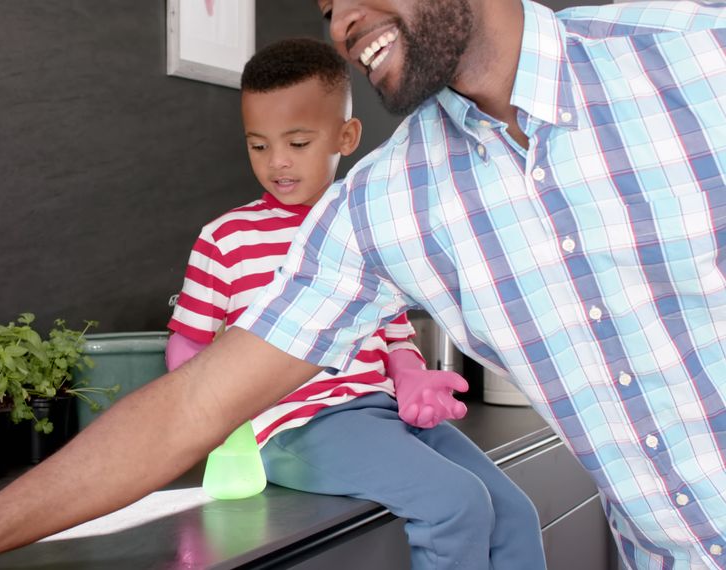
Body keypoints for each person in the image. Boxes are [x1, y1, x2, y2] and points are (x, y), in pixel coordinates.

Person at [0, 1, 726, 568]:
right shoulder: (389, 204)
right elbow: (189, 401)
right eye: (327, 9)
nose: (345, 22)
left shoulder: (697, 51)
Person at [164, 37, 544, 569]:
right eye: (258, 145)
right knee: (456, 504)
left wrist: (411, 376)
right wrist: (224, 424)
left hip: (384, 411)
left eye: (297, 143)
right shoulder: (226, 239)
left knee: (514, 513)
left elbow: (391, 332)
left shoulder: (365, 225)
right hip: (300, 423)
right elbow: (188, 345)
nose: (277, 162)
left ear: (346, 135)